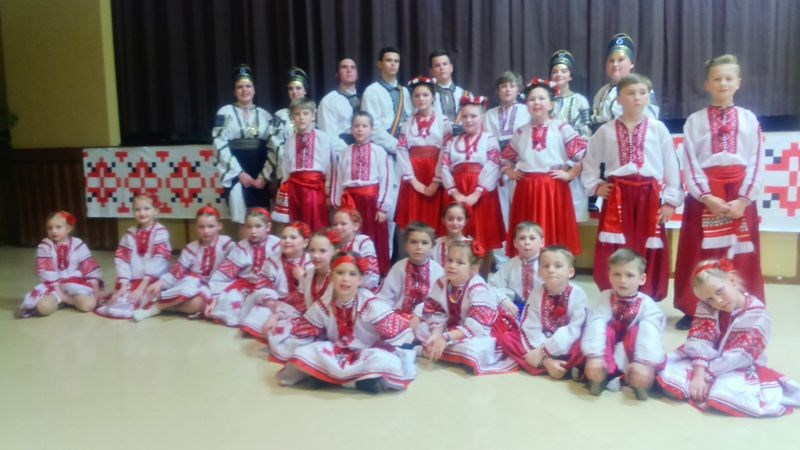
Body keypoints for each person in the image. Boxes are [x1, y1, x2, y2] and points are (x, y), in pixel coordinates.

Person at [672, 54, 766, 330]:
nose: (722, 83)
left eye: (728, 78)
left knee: (740, 253)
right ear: (707, 84)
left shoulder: (749, 119)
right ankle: (694, 307)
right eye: (717, 78)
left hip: (739, 192)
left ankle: (743, 306)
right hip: (706, 193)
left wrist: (744, 198)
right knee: (698, 252)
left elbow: (757, 159)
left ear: (738, 82)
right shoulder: (695, 121)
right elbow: (689, 159)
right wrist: (705, 196)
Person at [581, 73, 683, 301]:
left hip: (649, 196)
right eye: (630, 93)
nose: (637, 98)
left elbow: (671, 165)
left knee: (648, 245)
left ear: (649, 96)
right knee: (616, 245)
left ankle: (646, 298)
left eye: (642, 92)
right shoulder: (606, 131)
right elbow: (589, 161)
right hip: (618, 196)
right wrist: (596, 186)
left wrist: (669, 201)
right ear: (618, 99)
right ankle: (614, 296)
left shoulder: (658, 129)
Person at [657, 259, 800, 417]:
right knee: (667, 372)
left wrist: (707, 376)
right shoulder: (706, 306)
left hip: (736, 364)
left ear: (732, 280)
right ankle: (691, 385)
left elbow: (741, 355)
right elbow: (699, 338)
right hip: (707, 357)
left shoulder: (757, 313)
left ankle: (707, 388)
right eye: (709, 299)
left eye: (720, 291)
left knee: (728, 391)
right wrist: (699, 373)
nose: (717, 301)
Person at [276, 251, 417, 393]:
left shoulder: (369, 303)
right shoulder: (325, 303)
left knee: (388, 361)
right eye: (340, 273)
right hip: (335, 352)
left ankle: (328, 379)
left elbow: (396, 331)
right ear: (331, 276)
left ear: (360, 279)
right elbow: (305, 329)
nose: (345, 279)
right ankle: (357, 382)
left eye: (352, 274)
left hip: (366, 352)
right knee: (303, 352)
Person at [502, 78, 586, 257]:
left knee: (552, 231)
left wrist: (570, 174)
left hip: (553, 188)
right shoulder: (521, 132)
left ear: (551, 104)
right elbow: (505, 159)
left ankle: (554, 267)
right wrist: (510, 171)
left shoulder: (561, 128)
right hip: (527, 189)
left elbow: (583, 155)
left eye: (541, 98)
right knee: (528, 232)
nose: (536, 103)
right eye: (532, 99)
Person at [418, 240, 518, 375]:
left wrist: (446, 337)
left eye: (460, 262)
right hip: (454, 328)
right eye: (450, 260)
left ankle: (430, 349)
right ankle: (437, 347)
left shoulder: (478, 288)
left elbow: (476, 326)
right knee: (419, 328)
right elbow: (435, 311)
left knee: (473, 349)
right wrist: (437, 333)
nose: (452, 266)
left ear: (473, 269)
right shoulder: (442, 282)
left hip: (483, 330)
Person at [581, 248, 666, 399]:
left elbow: (652, 332)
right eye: (617, 274)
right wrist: (595, 356)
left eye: (629, 275)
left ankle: (639, 377)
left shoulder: (647, 303)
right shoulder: (605, 297)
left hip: (635, 350)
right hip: (607, 349)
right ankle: (602, 373)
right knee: (604, 329)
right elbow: (596, 323)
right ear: (610, 277)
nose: (622, 280)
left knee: (640, 330)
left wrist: (645, 362)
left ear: (642, 278)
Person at [440, 94, 506, 275]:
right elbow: (444, 166)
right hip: (458, 192)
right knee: (458, 233)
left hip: (482, 195)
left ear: (482, 118)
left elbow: (493, 165)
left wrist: (476, 194)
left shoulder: (489, 139)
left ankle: (481, 280)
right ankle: (456, 277)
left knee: (482, 237)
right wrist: (455, 193)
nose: (469, 120)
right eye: (465, 116)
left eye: (473, 116)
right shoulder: (452, 142)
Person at [133, 206, 234, 322]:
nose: (206, 231)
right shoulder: (191, 248)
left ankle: (165, 306)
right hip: (193, 282)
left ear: (219, 226)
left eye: (211, 226)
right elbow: (178, 271)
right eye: (201, 227)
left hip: (214, 285)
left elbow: (238, 260)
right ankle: (158, 306)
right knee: (188, 288)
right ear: (196, 227)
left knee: (200, 303)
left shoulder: (226, 243)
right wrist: (161, 282)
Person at [266, 228, 341, 362]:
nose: (316, 256)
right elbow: (302, 301)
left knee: (296, 347)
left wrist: (305, 327)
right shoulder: (311, 273)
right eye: (312, 250)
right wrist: (278, 315)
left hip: (333, 328)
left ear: (335, 252)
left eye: (322, 251)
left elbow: (325, 312)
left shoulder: (337, 277)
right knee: (276, 331)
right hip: (313, 322)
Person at [331, 111, 391, 275]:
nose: (360, 130)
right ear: (351, 129)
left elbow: (386, 179)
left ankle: (376, 274)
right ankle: (349, 269)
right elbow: (338, 179)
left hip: (372, 201)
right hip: (350, 201)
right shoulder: (344, 153)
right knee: (350, 236)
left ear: (372, 130)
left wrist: (382, 207)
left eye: (364, 126)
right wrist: (338, 204)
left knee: (374, 238)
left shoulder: (379, 152)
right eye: (356, 126)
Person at [213, 64, 275, 223]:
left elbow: (273, 148)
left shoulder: (265, 115)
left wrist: (264, 176)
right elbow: (220, 144)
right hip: (237, 173)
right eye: (239, 87)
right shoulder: (225, 113)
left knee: (262, 218)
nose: (244, 90)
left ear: (254, 90)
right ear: (234, 91)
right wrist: (239, 173)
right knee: (242, 219)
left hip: (260, 173)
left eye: (248, 86)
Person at [96, 193, 172, 319]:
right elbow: (122, 259)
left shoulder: (160, 232)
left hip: (152, 279)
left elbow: (159, 259)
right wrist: (123, 285)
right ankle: (125, 299)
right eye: (137, 209)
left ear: (155, 211)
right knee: (119, 299)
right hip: (133, 279)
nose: (142, 213)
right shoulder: (130, 233)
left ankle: (139, 305)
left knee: (142, 298)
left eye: (146, 209)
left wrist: (141, 288)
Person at [518, 246, 588, 378]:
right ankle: (549, 364)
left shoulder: (577, 294)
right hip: (541, 343)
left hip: (568, 343)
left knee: (585, 346)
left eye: (558, 266)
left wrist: (546, 349)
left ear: (570, 272)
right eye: (546, 266)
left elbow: (575, 328)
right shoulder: (537, 292)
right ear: (539, 272)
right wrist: (543, 353)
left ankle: (567, 366)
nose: (551, 270)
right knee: (509, 337)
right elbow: (530, 325)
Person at [18, 211, 103, 318]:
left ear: (69, 228)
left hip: (75, 286)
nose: (54, 231)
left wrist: (96, 291)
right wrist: (61, 294)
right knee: (43, 308)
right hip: (54, 287)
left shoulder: (78, 244)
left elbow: (89, 267)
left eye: (58, 227)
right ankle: (60, 302)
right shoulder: (45, 246)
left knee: (88, 305)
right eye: (50, 228)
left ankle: (72, 300)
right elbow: (47, 274)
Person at [395, 76, 452, 235]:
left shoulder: (443, 121)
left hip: (434, 171)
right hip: (414, 174)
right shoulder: (407, 123)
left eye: (425, 95)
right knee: (413, 219)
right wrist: (413, 180)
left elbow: (446, 149)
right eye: (417, 95)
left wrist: (436, 180)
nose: (421, 99)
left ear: (433, 97)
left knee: (435, 217)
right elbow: (401, 149)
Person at [206, 208, 282, 326]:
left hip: (269, 286)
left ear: (267, 227)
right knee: (230, 300)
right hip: (245, 285)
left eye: (258, 226)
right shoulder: (241, 247)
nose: (253, 231)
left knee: (267, 305)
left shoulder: (277, 245)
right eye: (249, 227)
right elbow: (225, 273)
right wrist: (214, 299)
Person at [485, 70, 530, 265]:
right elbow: (487, 142)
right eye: (503, 86)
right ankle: (502, 260)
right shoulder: (489, 114)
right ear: (498, 90)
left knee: (521, 213)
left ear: (518, 89)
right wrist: (503, 166)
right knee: (501, 214)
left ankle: (525, 256)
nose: (507, 89)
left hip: (521, 168)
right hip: (498, 169)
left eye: (511, 85)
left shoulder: (527, 110)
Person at [240, 221, 312, 339]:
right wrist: (270, 301)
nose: (287, 241)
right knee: (260, 312)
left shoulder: (310, 262)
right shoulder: (273, 260)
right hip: (277, 302)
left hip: (302, 306)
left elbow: (313, 291)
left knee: (297, 324)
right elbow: (264, 285)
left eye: (293, 237)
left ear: (305, 243)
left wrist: (302, 279)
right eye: (284, 237)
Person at [274, 98, 336, 230]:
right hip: (294, 191)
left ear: (313, 116)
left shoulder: (323, 138)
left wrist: (329, 192)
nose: (301, 118)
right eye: (297, 114)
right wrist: (284, 191)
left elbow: (331, 166)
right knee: (296, 226)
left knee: (317, 225)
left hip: (316, 190)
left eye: (305, 114)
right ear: (292, 118)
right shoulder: (289, 141)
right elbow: (285, 169)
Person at [377, 222, 444, 330]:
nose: (418, 247)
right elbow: (387, 296)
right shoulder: (399, 267)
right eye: (414, 242)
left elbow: (439, 302)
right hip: (400, 316)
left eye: (424, 243)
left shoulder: (437, 270)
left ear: (432, 247)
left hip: (426, 318)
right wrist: (384, 314)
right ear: (407, 246)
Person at [550, 50, 591, 222]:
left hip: (573, 164)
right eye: (555, 71)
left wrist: (572, 166)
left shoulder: (580, 100)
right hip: (550, 163)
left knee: (572, 215)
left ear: (570, 76)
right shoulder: (545, 100)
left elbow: (586, 136)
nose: (559, 74)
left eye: (563, 70)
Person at [590, 33, 659, 132]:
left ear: (631, 64)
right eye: (611, 60)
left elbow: (650, 126)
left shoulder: (642, 90)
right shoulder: (601, 93)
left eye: (620, 60)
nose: (615, 64)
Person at [489, 221, 544, 320]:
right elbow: (493, 286)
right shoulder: (510, 265)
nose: (527, 242)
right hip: (516, 308)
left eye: (532, 238)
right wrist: (505, 301)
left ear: (541, 242)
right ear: (515, 243)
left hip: (542, 308)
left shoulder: (546, 263)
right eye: (522, 238)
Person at [269, 66, 311, 179]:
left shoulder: (313, 114)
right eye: (290, 89)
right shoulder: (280, 116)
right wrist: (293, 163)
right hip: (286, 172)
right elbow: (275, 143)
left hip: (310, 171)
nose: (294, 92)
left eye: (298, 88)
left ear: (305, 90)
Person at [331, 208, 380, 291]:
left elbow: (373, 275)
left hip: (363, 290)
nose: (338, 227)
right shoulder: (334, 247)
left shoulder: (362, 241)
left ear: (355, 226)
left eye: (343, 224)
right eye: (335, 224)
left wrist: (352, 285)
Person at [317, 58, 360, 145]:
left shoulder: (364, 98)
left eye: (353, 67)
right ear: (337, 74)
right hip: (341, 151)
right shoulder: (329, 101)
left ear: (357, 74)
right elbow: (329, 137)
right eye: (344, 67)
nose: (349, 70)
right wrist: (350, 154)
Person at [429, 49, 468, 125]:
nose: (442, 68)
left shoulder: (465, 94)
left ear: (451, 68)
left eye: (445, 64)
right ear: (431, 71)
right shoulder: (427, 96)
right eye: (437, 65)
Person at [432, 202, 472, 267]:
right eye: (450, 219)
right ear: (443, 220)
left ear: (466, 221)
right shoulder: (437, 244)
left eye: (459, 219)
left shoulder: (471, 245)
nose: (455, 223)